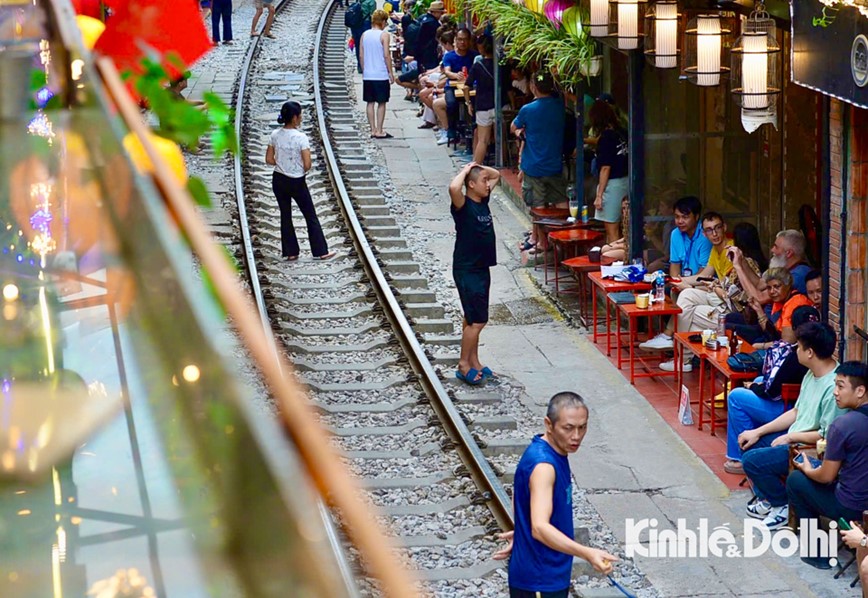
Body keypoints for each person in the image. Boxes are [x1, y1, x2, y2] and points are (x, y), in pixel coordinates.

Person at [493, 393, 619, 597]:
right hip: (540, 580)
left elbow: (523, 496)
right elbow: (540, 528)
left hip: (545, 574)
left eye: (582, 427)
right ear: (548, 424)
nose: (576, 436)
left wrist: (521, 532)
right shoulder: (544, 466)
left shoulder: (548, 451)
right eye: (568, 428)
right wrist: (588, 553)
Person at [739, 322, 846, 530]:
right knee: (751, 444)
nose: (795, 350)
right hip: (794, 436)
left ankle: (781, 504)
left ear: (810, 352)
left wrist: (790, 437)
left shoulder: (835, 387)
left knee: (752, 461)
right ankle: (769, 499)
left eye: (798, 346)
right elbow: (797, 411)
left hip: (810, 449)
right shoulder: (811, 373)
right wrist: (757, 431)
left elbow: (827, 436)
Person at [787, 361, 867, 569]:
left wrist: (807, 469)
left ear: (860, 391)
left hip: (853, 507)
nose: (835, 392)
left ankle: (816, 552)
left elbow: (826, 477)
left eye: (840, 386)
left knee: (796, 480)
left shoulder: (843, 425)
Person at [722, 305, 819, 475]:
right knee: (759, 380)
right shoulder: (814, 352)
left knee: (736, 396)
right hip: (791, 403)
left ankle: (740, 457)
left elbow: (772, 390)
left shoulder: (798, 354)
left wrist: (752, 386)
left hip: (786, 408)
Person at [639, 211, 732, 370]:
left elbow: (727, 290)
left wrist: (683, 283)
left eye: (717, 228)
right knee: (686, 295)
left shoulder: (731, 249)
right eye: (709, 230)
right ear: (704, 233)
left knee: (688, 314)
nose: (714, 233)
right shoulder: (715, 250)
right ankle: (682, 356)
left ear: (724, 227)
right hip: (716, 294)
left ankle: (679, 354)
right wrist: (676, 281)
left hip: (727, 303)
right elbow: (704, 276)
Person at [449, 162, 500, 384]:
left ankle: (474, 360)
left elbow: (497, 174)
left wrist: (478, 166)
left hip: (482, 267)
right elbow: (453, 188)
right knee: (478, 321)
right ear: (471, 185)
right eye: (483, 181)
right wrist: (465, 170)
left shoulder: (483, 200)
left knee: (472, 317)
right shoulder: (463, 205)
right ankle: (463, 364)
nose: (488, 184)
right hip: (467, 268)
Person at [639, 196, 712, 352]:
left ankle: (668, 336)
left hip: (703, 283)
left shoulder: (705, 236)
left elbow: (704, 272)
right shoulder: (675, 234)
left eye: (685, 217)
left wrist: (683, 283)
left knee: (682, 293)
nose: (680, 221)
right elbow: (674, 265)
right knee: (666, 290)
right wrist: (675, 281)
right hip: (684, 279)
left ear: (697, 217)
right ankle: (669, 339)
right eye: (677, 217)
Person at [266, 101, 336, 261]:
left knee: (285, 215)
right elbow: (307, 164)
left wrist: (282, 164)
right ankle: (320, 251)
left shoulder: (275, 135)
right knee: (310, 215)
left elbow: (269, 159)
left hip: (279, 179)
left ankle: (291, 252)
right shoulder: (301, 138)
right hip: (297, 181)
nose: (301, 118)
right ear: (295, 118)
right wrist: (297, 169)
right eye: (300, 115)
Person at [510, 71, 566, 252]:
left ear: (533, 87)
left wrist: (520, 132)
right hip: (555, 164)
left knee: (538, 206)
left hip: (534, 166)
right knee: (561, 202)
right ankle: (564, 240)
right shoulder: (560, 105)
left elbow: (514, 127)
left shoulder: (528, 109)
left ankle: (543, 243)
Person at [729, 229, 812, 304]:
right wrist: (742, 260)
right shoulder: (784, 270)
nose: (772, 250)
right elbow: (759, 284)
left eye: (776, 247)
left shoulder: (798, 274)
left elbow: (759, 298)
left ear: (788, 253)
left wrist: (737, 267)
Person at [588, 99, 628, 244]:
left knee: (612, 230)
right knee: (624, 228)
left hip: (613, 185)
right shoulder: (622, 132)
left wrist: (599, 195)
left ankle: (614, 262)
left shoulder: (606, 138)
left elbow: (605, 167)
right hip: (626, 181)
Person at [433, 27, 478, 146]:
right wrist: (455, 75)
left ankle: (472, 130)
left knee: (474, 104)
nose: (462, 42)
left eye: (465, 40)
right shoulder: (449, 56)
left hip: (469, 87)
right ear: (455, 40)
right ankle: (452, 129)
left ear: (469, 41)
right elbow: (447, 71)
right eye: (459, 39)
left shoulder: (474, 56)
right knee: (451, 103)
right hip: (452, 87)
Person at [746, 268, 813, 347]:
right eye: (769, 288)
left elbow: (786, 343)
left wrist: (762, 346)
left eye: (776, 286)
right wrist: (758, 310)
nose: (772, 291)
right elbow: (771, 334)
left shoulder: (795, 302)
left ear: (787, 285)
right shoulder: (780, 300)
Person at [360, 10, 395, 139]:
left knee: (370, 102)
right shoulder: (384, 35)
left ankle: (372, 129)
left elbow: (361, 55)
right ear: (384, 21)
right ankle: (380, 130)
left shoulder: (364, 35)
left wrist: (365, 70)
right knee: (381, 103)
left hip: (368, 74)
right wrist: (390, 72)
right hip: (380, 74)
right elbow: (386, 55)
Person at [466, 35, 495, 163]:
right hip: (501, 105)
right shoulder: (501, 64)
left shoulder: (478, 65)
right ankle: (504, 163)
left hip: (483, 105)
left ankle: (475, 166)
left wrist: (468, 103)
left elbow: (467, 86)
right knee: (502, 139)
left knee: (482, 139)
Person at [414, 0, 444, 72]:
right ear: (436, 12)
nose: (441, 15)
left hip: (420, 54)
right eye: (441, 13)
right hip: (429, 56)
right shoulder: (433, 24)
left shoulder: (422, 18)